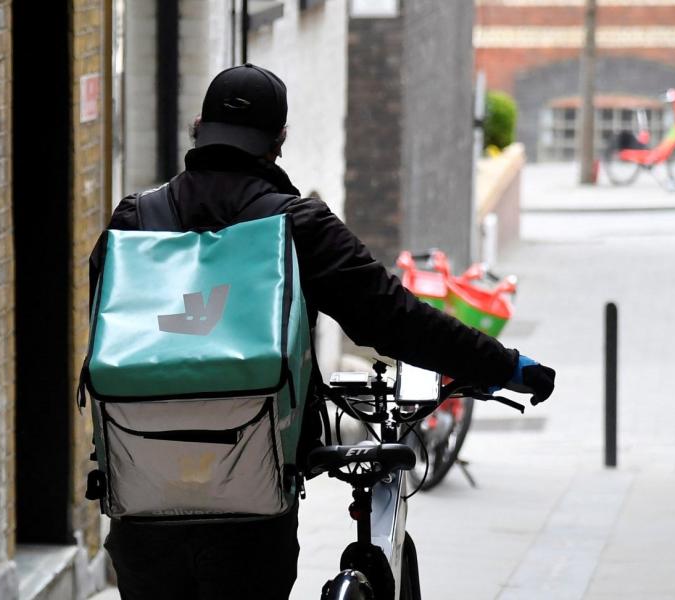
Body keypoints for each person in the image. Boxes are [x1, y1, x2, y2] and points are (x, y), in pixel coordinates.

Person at [89, 64, 555, 600]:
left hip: (141, 498)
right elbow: (395, 318)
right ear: (278, 143)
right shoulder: (297, 226)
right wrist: (504, 365)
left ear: (199, 128)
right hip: (252, 506)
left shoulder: (132, 221)